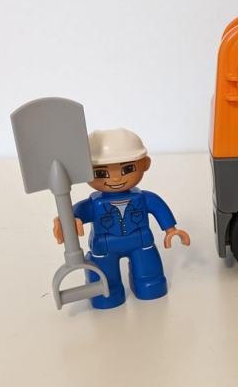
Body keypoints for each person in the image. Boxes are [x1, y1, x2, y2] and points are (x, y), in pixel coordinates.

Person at [52, 128, 190, 309]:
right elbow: (74, 214)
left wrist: (171, 230)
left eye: (127, 169)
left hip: (141, 243)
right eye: (101, 173)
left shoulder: (143, 198)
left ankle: (148, 283)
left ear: (145, 164)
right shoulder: (94, 204)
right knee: (106, 281)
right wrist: (66, 222)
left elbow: (158, 207)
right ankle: (107, 291)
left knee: (150, 275)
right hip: (105, 248)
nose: (116, 178)